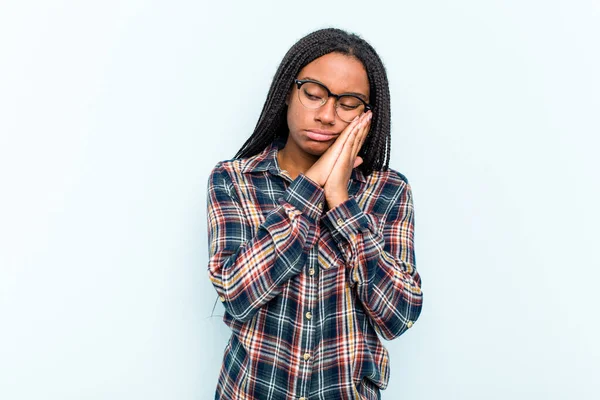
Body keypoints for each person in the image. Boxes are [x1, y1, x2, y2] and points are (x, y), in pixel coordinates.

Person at [206, 27, 423, 400]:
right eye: (314, 94)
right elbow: (237, 291)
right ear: (288, 93)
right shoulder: (234, 180)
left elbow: (398, 314)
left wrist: (340, 200)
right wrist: (316, 181)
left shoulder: (389, 190)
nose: (326, 115)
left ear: (367, 115)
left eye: (348, 102)